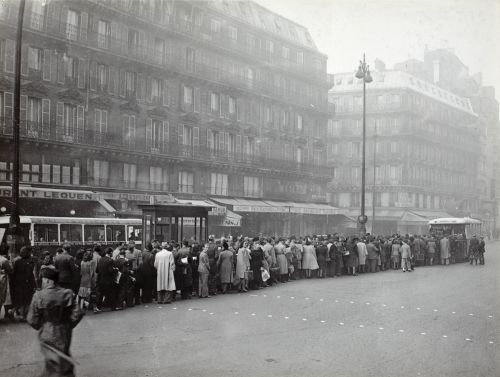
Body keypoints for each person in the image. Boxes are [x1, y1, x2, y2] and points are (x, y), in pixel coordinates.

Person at [27, 266, 84, 377]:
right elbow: (78, 313)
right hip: (64, 331)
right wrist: (68, 324)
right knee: (62, 357)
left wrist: (41, 325)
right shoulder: (68, 293)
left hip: (46, 331)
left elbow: (31, 319)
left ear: (47, 280)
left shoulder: (38, 295)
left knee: (53, 361)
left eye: (43, 279)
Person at [11, 246, 36, 321]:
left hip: (18, 283)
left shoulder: (16, 261)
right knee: (26, 299)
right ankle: (23, 315)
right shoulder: (28, 261)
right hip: (26, 283)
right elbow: (30, 273)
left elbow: (13, 273)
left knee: (21, 299)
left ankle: (19, 313)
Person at [95, 247, 118, 312]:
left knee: (100, 295)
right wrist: (115, 270)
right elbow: (110, 270)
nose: (112, 254)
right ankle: (113, 307)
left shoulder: (101, 259)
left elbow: (97, 270)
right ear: (110, 253)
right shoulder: (110, 260)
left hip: (101, 280)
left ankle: (98, 308)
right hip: (108, 280)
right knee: (111, 294)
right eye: (112, 253)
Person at [0, 249, 13, 322]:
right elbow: (10, 270)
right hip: (2, 280)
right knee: (3, 297)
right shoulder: (4, 260)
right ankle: (7, 314)